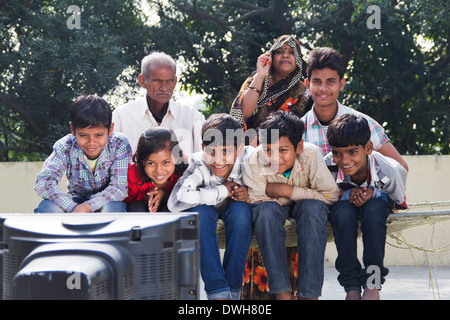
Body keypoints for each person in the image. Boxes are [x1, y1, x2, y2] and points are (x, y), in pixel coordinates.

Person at [242, 111, 340, 300]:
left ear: (299, 147)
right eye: (268, 149)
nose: (274, 158)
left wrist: (286, 191)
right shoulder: (254, 160)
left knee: (314, 208)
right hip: (270, 207)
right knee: (266, 211)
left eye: (283, 150)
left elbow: (331, 195)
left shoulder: (310, 155)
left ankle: (309, 295)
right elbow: (256, 199)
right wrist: (287, 195)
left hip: (304, 208)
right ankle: (282, 292)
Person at [167, 113, 253, 300]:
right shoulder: (198, 163)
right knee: (200, 213)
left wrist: (249, 193)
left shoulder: (250, 159)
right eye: (211, 151)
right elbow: (175, 202)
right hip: (207, 212)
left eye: (225, 151)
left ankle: (232, 290)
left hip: (236, 212)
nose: (218, 160)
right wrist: (221, 191)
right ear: (203, 147)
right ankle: (218, 292)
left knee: (242, 212)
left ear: (239, 149)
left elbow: (266, 186)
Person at [324, 113, 408, 300]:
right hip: (343, 208)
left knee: (373, 210)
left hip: (376, 210)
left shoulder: (390, 171)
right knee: (342, 213)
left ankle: (373, 284)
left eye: (352, 152)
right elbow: (322, 196)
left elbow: (398, 202)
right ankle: (351, 286)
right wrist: (346, 195)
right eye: (337, 152)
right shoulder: (327, 165)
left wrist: (374, 194)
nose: (344, 160)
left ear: (368, 148)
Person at [302, 47, 409, 172]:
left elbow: (400, 167)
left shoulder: (365, 123)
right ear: (308, 85)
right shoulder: (298, 130)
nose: (323, 88)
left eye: (330, 82)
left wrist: (372, 189)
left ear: (341, 84)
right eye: (317, 82)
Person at [34, 95, 132, 213]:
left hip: (107, 200)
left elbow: (119, 187)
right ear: (72, 129)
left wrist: (88, 207)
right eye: (83, 135)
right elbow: (44, 182)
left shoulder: (119, 143)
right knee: (46, 207)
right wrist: (73, 207)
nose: (91, 142)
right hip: (75, 201)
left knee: (114, 209)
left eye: (99, 135)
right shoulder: (64, 146)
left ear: (110, 129)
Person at [112, 51, 205, 156]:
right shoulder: (121, 117)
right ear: (142, 81)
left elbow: (203, 159)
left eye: (169, 81)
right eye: (157, 81)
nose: (164, 88)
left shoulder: (193, 117)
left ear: (175, 82)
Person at [230, 35, 312, 132]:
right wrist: (260, 76)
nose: (285, 55)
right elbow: (242, 114)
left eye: (291, 52)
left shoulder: (303, 91)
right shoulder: (254, 80)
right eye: (279, 52)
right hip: (248, 144)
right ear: (271, 56)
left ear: (298, 60)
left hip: (283, 144)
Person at [124, 127, 187, 212]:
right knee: (136, 208)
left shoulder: (184, 171)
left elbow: (187, 199)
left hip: (171, 209)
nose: (159, 170)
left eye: (166, 162)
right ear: (142, 161)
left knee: (171, 208)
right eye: (151, 163)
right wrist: (145, 197)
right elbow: (126, 201)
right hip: (141, 210)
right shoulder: (133, 174)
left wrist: (165, 196)